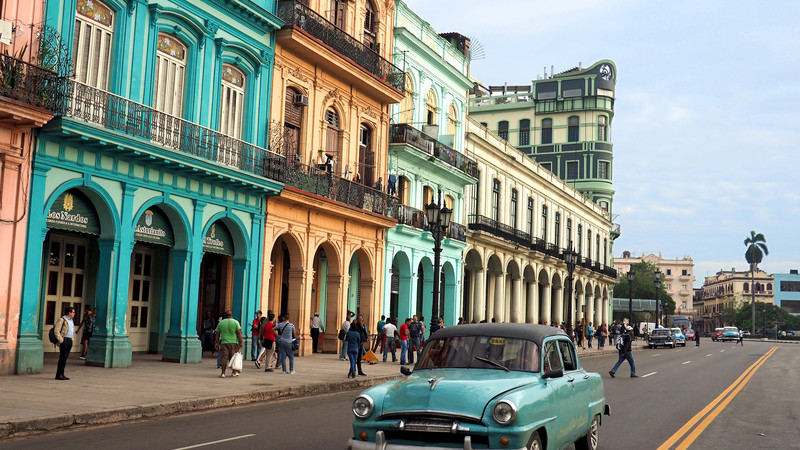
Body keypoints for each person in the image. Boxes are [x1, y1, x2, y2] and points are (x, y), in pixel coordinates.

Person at [214, 310, 243, 378]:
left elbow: (217, 333)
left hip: (224, 342)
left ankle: (223, 373)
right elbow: (238, 333)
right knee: (233, 357)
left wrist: (216, 342)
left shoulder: (221, 323)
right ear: (232, 316)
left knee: (224, 357)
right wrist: (241, 342)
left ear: (225, 316)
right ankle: (234, 372)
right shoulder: (236, 322)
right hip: (234, 343)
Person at [54, 306, 76, 380]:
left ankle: (62, 374)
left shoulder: (71, 320)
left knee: (65, 358)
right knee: (62, 358)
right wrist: (61, 340)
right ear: (69, 313)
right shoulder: (62, 320)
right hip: (64, 340)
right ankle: (59, 374)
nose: (74, 314)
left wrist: (72, 339)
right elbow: (56, 331)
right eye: (73, 312)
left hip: (69, 340)